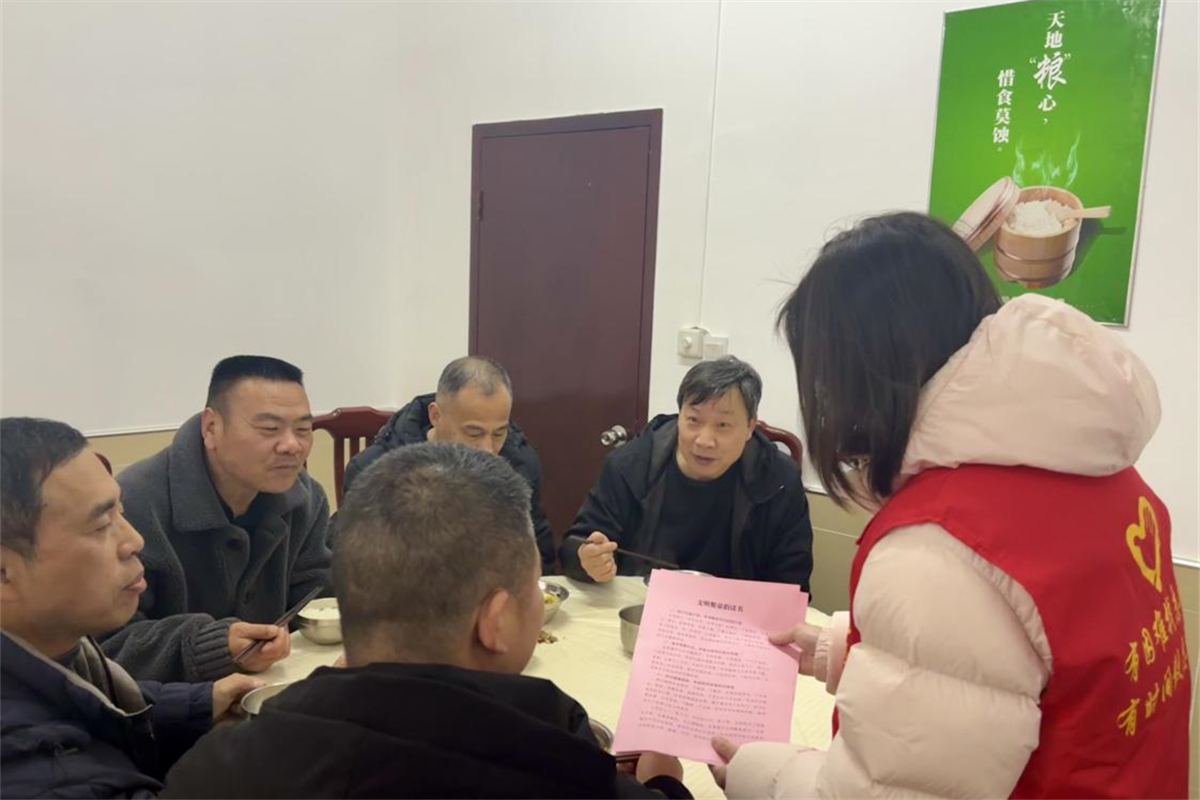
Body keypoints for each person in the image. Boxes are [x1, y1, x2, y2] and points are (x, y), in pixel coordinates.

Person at [712, 213, 1190, 798]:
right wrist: (851, 649)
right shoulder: (1100, 469)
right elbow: (1039, 654)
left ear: (859, 375)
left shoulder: (937, 552)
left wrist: (758, 772)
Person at [163, 442, 690, 799]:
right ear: (495, 621)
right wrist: (665, 785)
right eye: (532, 585)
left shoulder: (212, 773)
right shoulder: (568, 771)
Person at [0, 417, 263, 798]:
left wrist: (200, 704)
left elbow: (89, 704)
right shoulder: (32, 769)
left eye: (120, 514)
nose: (135, 540)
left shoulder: (51, 652)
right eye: (100, 525)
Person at [101, 355, 332, 683]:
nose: (292, 445)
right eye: (269, 429)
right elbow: (106, 644)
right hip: (165, 704)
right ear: (211, 427)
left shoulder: (306, 499)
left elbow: (316, 596)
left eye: (304, 430)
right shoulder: (133, 507)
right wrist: (209, 646)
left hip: (269, 688)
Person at [560, 356, 813, 591]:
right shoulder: (630, 465)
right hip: (643, 605)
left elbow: (792, 584)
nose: (704, 440)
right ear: (679, 415)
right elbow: (576, 546)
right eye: (693, 420)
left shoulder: (779, 480)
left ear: (749, 427)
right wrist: (588, 559)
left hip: (735, 614)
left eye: (723, 425)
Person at [344, 355, 556, 573]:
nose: (488, 449)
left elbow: (539, 553)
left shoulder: (520, 464)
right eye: (474, 433)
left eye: (499, 433)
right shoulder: (375, 472)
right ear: (436, 416)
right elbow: (354, 570)